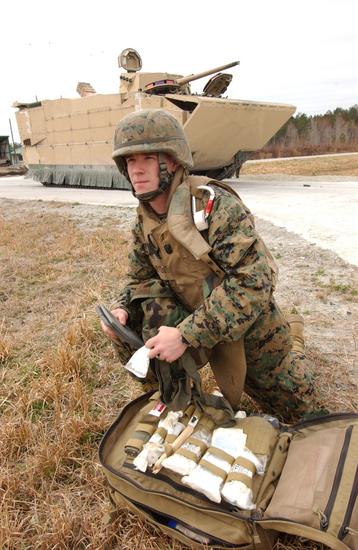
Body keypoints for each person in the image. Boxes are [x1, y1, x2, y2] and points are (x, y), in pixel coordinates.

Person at [100, 108, 320, 421]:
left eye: (147, 159)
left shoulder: (213, 205)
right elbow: (139, 279)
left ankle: (292, 336)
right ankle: (170, 392)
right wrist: (121, 310)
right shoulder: (145, 219)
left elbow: (253, 283)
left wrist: (186, 335)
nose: (137, 170)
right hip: (192, 313)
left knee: (303, 414)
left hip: (246, 325)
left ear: (172, 160)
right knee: (135, 323)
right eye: (130, 161)